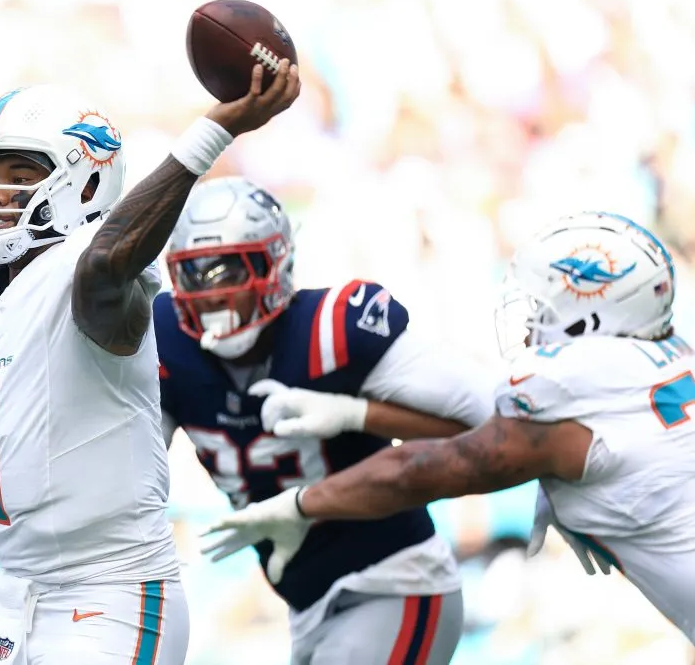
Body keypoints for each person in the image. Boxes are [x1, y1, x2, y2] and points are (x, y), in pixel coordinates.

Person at [0, 61, 301, 665]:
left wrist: (213, 130)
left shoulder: (94, 274)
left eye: (21, 174)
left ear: (87, 183)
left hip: (113, 592)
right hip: (14, 596)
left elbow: (103, 264)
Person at [202, 211, 695, 657]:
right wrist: (357, 415)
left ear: (591, 315)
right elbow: (493, 427)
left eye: (544, 308)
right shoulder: (668, 357)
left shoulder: (567, 383)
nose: (531, 323)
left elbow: (416, 474)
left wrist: (300, 505)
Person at [156, 177, 496, 664]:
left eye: (228, 271)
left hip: (394, 582)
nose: (211, 294)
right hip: (308, 602)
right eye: (194, 276)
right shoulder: (166, 338)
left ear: (274, 262)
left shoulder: (334, 328)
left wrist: (355, 413)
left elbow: (491, 419)